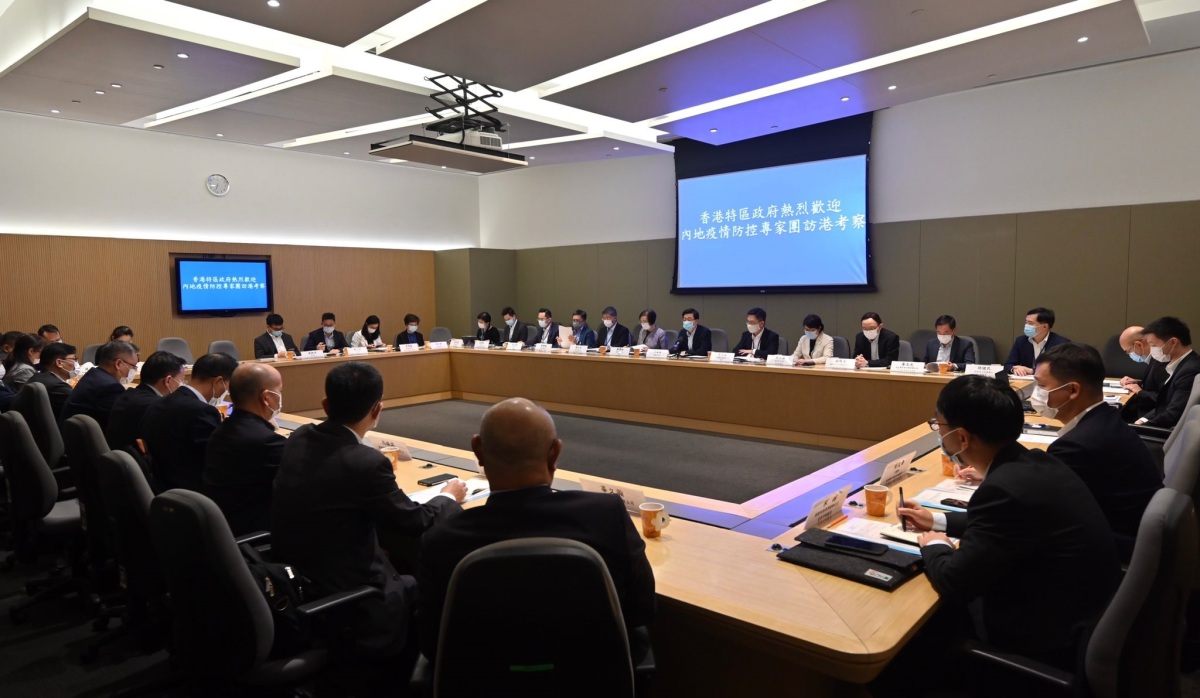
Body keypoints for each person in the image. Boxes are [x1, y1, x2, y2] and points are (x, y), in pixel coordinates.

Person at [896, 375, 1118, 666]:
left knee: (916, 633)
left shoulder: (1003, 489)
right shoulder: (1035, 461)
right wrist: (936, 520)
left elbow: (954, 581)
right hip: (1081, 614)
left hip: (1042, 641)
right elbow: (1001, 523)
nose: (939, 433)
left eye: (939, 425)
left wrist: (935, 546)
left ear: (962, 438)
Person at [417, 398, 655, 661]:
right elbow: (641, 610)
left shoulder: (441, 540)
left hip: (484, 679)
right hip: (593, 675)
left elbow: (432, 642)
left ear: (478, 451)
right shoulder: (606, 515)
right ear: (555, 453)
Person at [272, 362, 465, 681]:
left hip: (297, 575)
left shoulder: (300, 437)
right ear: (378, 409)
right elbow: (413, 522)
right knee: (421, 582)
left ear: (325, 405)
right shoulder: (366, 463)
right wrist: (447, 497)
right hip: (346, 590)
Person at [1024, 343, 1160, 560]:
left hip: (1110, 550)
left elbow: (1037, 508)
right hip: (1133, 535)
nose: (1035, 394)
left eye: (1041, 386)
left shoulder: (1079, 445)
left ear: (1073, 390)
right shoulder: (1106, 419)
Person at [203, 363, 286, 536]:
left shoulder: (222, 429)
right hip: (256, 533)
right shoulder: (266, 442)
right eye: (279, 391)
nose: (280, 397)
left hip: (226, 524)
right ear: (266, 398)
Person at [140, 352, 237, 492]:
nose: (227, 392)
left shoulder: (161, 401)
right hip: (192, 490)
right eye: (228, 386)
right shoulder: (202, 411)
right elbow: (218, 461)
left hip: (163, 484)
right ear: (218, 381)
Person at [105, 351, 186, 452]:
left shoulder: (129, 394)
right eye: (181, 380)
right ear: (168, 380)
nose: (182, 384)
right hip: (135, 459)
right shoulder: (156, 407)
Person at [1135, 316, 1200, 429]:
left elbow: (1173, 415)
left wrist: (1138, 427)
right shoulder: (1180, 364)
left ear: (1173, 342)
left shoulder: (1190, 371)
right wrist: (1144, 419)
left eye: (1154, 345)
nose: (1152, 350)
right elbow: (1164, 404)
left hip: (1168, 433)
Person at [61, 340, 139, 429]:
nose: (134, 370)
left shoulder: (93, 375)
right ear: (118, 364)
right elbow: (121, 423)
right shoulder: (110, 388)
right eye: (133, 366)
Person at [1003, 307, 1069, 375]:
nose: (1026, 326)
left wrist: (1033, 371)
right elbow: (1008, 364)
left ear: (1045, 326)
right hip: (1025, 380)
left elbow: (1063, 369)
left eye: (1030, 323)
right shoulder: (1021, 341)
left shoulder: (1061, 344)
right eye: (1026, 322)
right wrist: (1014, 369)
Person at [28, 342, 77, 417]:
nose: (76, 364)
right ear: (59, 363)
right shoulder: (57, 387)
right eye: (74, 359)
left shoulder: (38, 376)